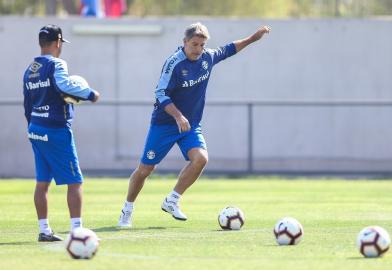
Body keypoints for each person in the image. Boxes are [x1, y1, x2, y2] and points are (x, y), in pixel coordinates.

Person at [118, 22, 271, 227]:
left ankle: (172, 200)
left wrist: (253, 38)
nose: (198, 49)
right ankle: (127, 210)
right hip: (164, 125)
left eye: (202, 45)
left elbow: (230, 49)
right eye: (194, 44)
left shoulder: (207, 57)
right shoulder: (174, 63)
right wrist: (178, 116)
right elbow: (160, 93)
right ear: (184, 42)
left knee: (201, 159)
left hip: (190, 125)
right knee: (145, 170)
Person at [23, 24, 100, 241]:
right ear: (58, 42)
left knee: (42, 182)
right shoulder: (57, 64)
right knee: (75, 181)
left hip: (36, 129)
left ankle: (44, 230)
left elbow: (27, 104)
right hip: (56, 130)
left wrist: (33, 126)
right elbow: (63, 85)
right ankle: (78, 231)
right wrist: (90, 94)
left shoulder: (29, 69)